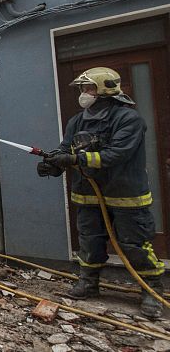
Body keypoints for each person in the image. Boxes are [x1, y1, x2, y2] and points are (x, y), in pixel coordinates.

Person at [37, 67, 165, 319]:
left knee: (134, 243)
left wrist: (74, 158)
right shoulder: (77, 121)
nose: (84, 94)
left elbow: (116, 154)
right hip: (88, 193)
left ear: (106, 88)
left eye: (88, 89)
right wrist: (53, 164)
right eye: (83, 89)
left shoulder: (128, 119)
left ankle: (151, 290)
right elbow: (66, 149)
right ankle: (88, 282)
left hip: (125, 193)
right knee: (89, 240)